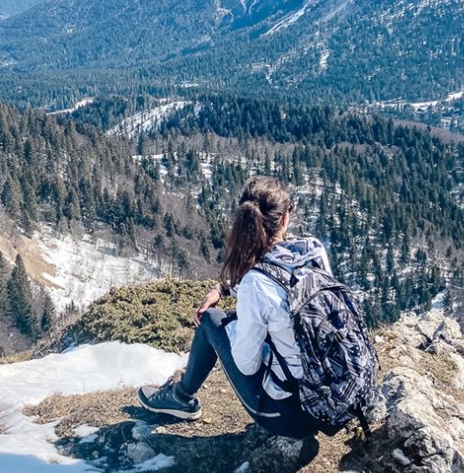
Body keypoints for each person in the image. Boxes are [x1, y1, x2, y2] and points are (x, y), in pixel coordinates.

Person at [138, 175, 331, 438]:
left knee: (210, 321)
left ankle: (181, 398)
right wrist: (223, 288)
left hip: (290, 418)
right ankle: (181, 396)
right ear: (284, 219)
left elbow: (247, 364)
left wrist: (238, 325)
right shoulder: (313, 251)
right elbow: (278, 286)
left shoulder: (256, 285)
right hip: (327, 401)